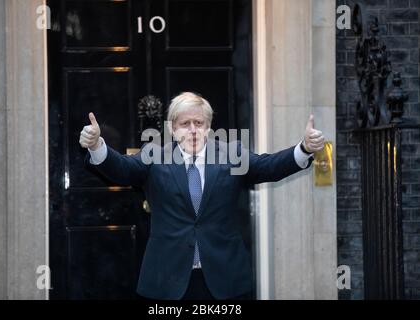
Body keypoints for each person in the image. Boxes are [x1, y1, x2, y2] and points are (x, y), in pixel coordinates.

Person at [79, 92, 325, 300]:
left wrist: (303, 148)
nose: (193, 130)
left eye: (199, 123)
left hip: (224, 278)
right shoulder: (154, 155)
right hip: (167, 279)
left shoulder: (232, 154)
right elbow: (122, 169)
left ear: (208, 127)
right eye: (185, 124)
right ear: (173, 129)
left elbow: (269, 166)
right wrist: (96, 146)